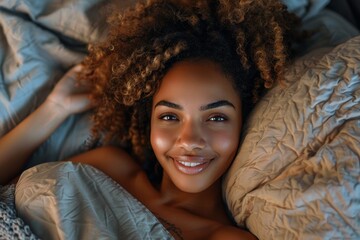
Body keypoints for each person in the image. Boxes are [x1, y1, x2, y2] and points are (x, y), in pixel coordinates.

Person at [0, 0, 300, 239]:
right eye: (169, 116)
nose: (190, 140)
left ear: (244, 121)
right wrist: (55, 108)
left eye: (216, 117)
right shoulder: (108, 166)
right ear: (148, 119)